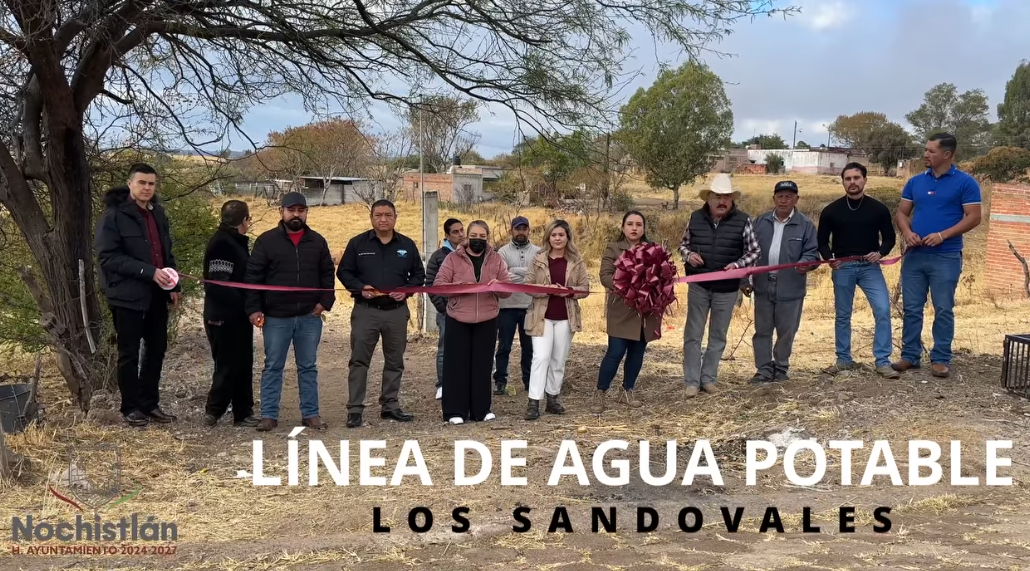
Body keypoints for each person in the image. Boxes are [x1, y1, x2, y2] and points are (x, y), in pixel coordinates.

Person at [95, 163, 181, 427]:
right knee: (129, 353)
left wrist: (173, 284)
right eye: (142, 183)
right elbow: (108, 258)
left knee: (156, 350)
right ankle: (131, 407)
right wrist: (148, 271)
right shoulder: (113, 217)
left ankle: (149, 403)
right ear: (130, 183)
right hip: (126, 296)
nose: (147, 188)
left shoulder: (159, 214)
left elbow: (166, 252)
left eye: (151, 184)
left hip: (157, 296)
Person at [244, 192, 336, 432]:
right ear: (281, 212)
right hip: (276, 317)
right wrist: (254, 309)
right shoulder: (266, 241)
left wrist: (326, 301)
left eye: (301, 210)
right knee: (273, 365)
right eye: (291, 210)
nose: (296, 215)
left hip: (309, 316)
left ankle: (311, 414)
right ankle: (269, 415)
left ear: (307, 212)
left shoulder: (317, 241)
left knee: (308, 366)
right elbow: (253, 278)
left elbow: (327, 274)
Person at [894, 133, 982, 378]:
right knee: (912, 308)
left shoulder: (966, 183)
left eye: (931, 151)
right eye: (925, 150)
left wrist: (943, 235)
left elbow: (974, 217)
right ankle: (909, 356)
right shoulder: (915, 182)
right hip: (915, 256)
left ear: (948, 154)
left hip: (946, 257)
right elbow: (902, 213)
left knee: (943, 308)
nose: (925, 155)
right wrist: (907, 232)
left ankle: (941, 358)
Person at [337, 199, 424, 428]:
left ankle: (390, 406)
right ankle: (355, 409)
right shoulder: (357, 244)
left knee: (395, 361)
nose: (383, 219)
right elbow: (344, 272)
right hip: (366, 312)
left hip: (396, 312)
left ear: (395, 217)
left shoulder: (407, 245)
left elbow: (418, 276)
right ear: (371, 217)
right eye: (378, 215)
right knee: (359, 361)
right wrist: (359, 288)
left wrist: (406, 291)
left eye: (388, 215)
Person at [678, 173, 760, 397]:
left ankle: (709, 379)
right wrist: (689, 255)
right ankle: (692, 382)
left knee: (718, 335)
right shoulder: (695, 217)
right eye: (717, 197)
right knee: (693, 334)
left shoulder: (743, 220)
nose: (722, 201)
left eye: (726, 197)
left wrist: (737, 264)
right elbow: (683, 245)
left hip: (727, 288)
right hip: (699, 285)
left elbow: (754, 251)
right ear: (709, 199)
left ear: (732, 200)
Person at [817, 163, 899, 379]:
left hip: (869, 267)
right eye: (848, 179)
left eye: (856, 178)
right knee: (843, 315)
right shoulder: (831, 211)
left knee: (882, 310)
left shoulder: (878, 209)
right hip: (843, 267)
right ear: (843, 181)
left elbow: (890, 237)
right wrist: (830, 259)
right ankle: (843, 360)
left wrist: (880, 252)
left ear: (864, 180)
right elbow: (822, 242)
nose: (852, 182)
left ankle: (882, 361)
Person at [433, 220, 512, 424]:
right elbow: (439, 285)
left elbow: (508, 290)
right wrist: (461, 286)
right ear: (467, 237)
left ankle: (481, 410)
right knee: (456, 365)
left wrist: (498, 286)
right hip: (458, 317)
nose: (478, 240)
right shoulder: (452, 258)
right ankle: (454, 411)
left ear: (487, 238)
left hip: (487, 318)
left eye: (482, 237)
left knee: (483, 365)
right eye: (474, 236)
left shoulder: (496, 259)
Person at [744, 181, 820, 384]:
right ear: (773, 199)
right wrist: (745, 279)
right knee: (762, 330)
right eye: (780, 196)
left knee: (787, 331)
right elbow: (746, 253)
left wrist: (806, 263)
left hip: (791, 287)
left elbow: (813, 253)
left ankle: (781, 367)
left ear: (796, 199)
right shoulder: (759, 222)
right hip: (762, 286)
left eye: (788, 196)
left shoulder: (806, 226)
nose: (784, 200)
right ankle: (763, 369)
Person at [592, 211, 660, 414]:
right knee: (615, 352)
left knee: (637, 353)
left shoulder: (652, 249)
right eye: (630, 224)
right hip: (621, 309)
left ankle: (627, 391)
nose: (634, 228)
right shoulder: (614, 248)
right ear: (623, 227)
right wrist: (629, 285)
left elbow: (662, 275)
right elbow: (605, 275)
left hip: (644, 311)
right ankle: (600, 392)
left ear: (644, 228)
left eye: (639, 224)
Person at [523, 220, 590, 420]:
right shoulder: (538, 259)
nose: (557, 238)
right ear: (548, 237)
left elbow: (584, 288)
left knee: (558, 360)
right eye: (554, 235)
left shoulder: (576, 260)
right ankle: (534, 401)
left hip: (565, 317)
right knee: (540, 357)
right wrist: (546, 289)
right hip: (541, 317)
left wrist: (567, 292)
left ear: (567, 237)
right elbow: (528, 285)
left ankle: (552, 398)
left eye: (561, 235)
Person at [202, 200, 258, 427]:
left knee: (243, 362)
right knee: (227, 363)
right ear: (244, 220)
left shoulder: (235, 241)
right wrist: (245, 304)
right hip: (222, 316)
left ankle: (243, 412)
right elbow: (218, 284)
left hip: (237, 315)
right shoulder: (222, 243)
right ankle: (213, 410)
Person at [494, 216, 539, 395]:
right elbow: (504, 276)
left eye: (524, 229)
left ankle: (529, 381)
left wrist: (515, 271)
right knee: (504, 346)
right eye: (517, 229)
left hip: (530, 305)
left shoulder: (538, 252)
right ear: (511, 231)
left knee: (529, 347)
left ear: (529, 231)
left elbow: (538, 276)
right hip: (507, 306)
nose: (521, 232)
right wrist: (526, 274)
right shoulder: (502, 252)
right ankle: (500, 381)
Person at [425, 218, 465, 400]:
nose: (460, 234)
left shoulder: (470, 253)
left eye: (462, 230)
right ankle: (442, 384)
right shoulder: (438, 256)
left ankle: (463, 382)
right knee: (445, 349)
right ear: (447, 235)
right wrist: (442, 307)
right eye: (455, 232)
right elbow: (430, 283)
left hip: (468, 310)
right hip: (447, 311)